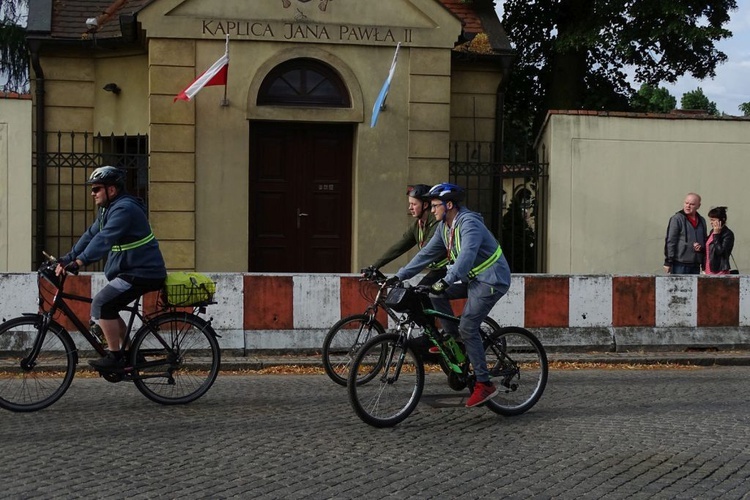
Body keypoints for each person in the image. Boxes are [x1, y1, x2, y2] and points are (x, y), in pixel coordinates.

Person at [391, 182, 512, 408]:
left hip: (492, 280)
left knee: (468, 325)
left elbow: (466, 257)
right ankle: (453, 343)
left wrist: (445, 281)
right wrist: (399, 276)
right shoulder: (444, 227)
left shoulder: (469, 224)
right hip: (474, 279)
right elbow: (426, 255)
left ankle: (484, 384)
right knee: (434, 295)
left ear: (449, 205)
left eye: (436, 205)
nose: (433, 209)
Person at [56, 166, 167, 369]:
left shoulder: (124, 209)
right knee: (110, 308)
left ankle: (114, 357)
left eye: (96, 189)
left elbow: (104, 238)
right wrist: (67, 259)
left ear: (112, 190)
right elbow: (91, 234)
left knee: (102, 303)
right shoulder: (108, 209)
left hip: (143, 272)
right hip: (132, 270)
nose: (92, 193)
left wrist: (80, 262)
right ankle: (132, 355)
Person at [369, 184, 447, 286]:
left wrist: (399, 276)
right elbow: (399, 247)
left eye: (414, 204)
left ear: (425, 205)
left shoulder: (437, 223)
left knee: (425, 295)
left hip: (448, 270)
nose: (410, 208)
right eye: (410, 204)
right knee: (419, 295)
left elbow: (426, 252)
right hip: (437, 270)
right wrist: (374, 266)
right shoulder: (418, 225)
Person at [664, 192, 707, 274]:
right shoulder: (676, 219)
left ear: (698, 206)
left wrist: (704, 264)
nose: (688, 206)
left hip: (696, 264)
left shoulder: (702, 220)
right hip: (679, 264)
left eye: (692, 204)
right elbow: (670, 241)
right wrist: (668, 262)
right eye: (686, 203)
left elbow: (704, 241)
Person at [704, 206, 735, 275]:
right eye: (710, 220)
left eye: (713, 220)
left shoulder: (727, 234)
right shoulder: (712, 231)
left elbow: (721, 252)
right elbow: (709, 250)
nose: (711, 222)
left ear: (722, 220)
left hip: (719, 270)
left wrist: (716, 235)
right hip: (708, 269)